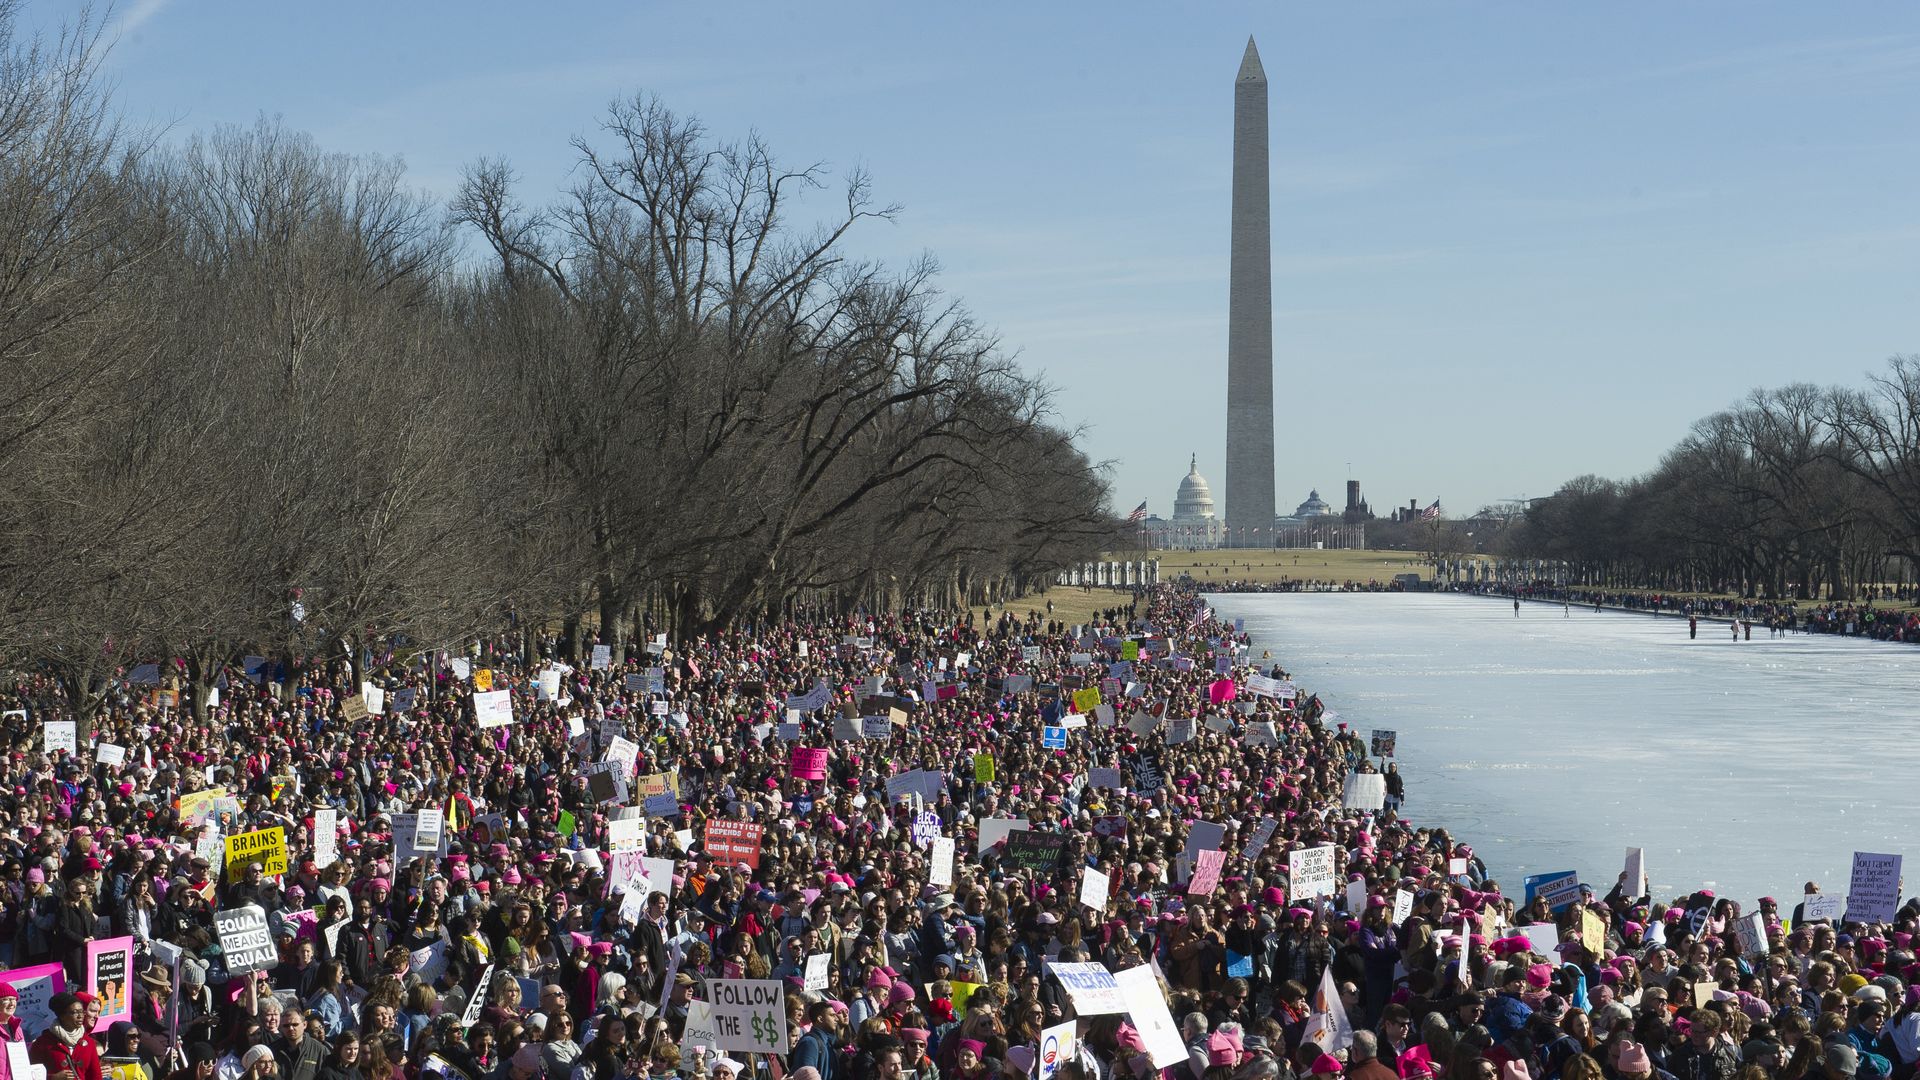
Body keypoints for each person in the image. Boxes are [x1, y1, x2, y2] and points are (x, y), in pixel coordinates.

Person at [31, 993, 104, 1080]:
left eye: (81, 1011)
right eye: (74, 1012)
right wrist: (52, 1078)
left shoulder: (89, 1043)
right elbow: (30, 1074)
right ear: (62, 1016)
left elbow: (95, 1077)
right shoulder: (43, 1043)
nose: (80, 1016)